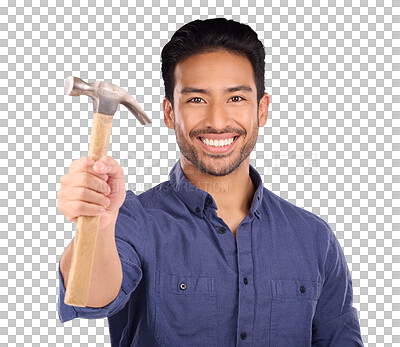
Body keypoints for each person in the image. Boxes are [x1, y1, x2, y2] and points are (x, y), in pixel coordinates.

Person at [57, 18, 364, 346]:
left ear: (262, 109)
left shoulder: (314, 238)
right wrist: (98, 225)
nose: (217, 122)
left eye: (235, 99)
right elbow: (89, 298)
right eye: (196, 100)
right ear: (170, 112)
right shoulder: (132, 219)